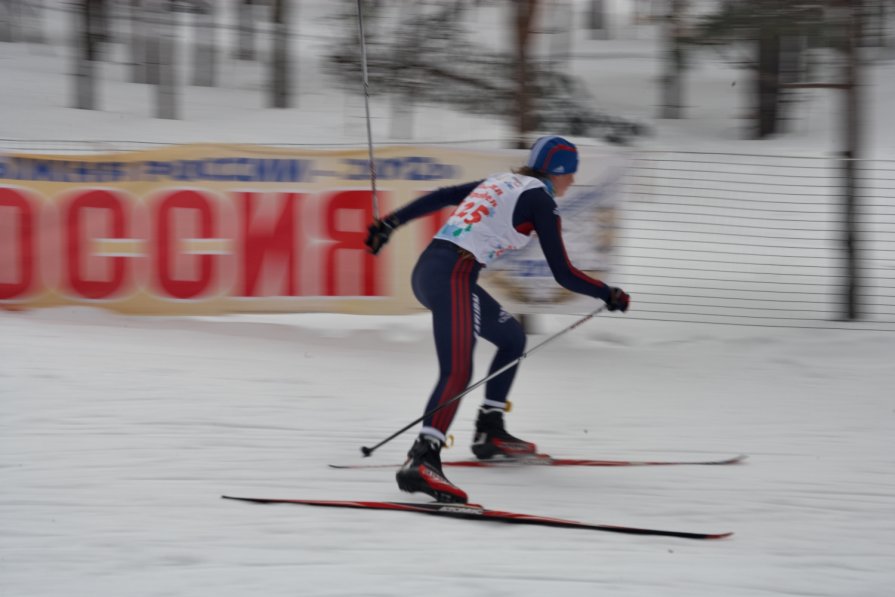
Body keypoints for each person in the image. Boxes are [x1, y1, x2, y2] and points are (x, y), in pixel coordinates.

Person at [364, 136, 630, 503]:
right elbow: (564, 274)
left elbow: (442, 196)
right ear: (560, 171)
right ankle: (423, 457)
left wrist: (390, 222)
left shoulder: (500, 181)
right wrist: (608, 293)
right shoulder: (541, 200)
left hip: (434, 271)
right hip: (453, 274)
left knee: (511, 338)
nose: (573, 182)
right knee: (457, 369)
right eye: (572, 174)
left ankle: (490, 431)